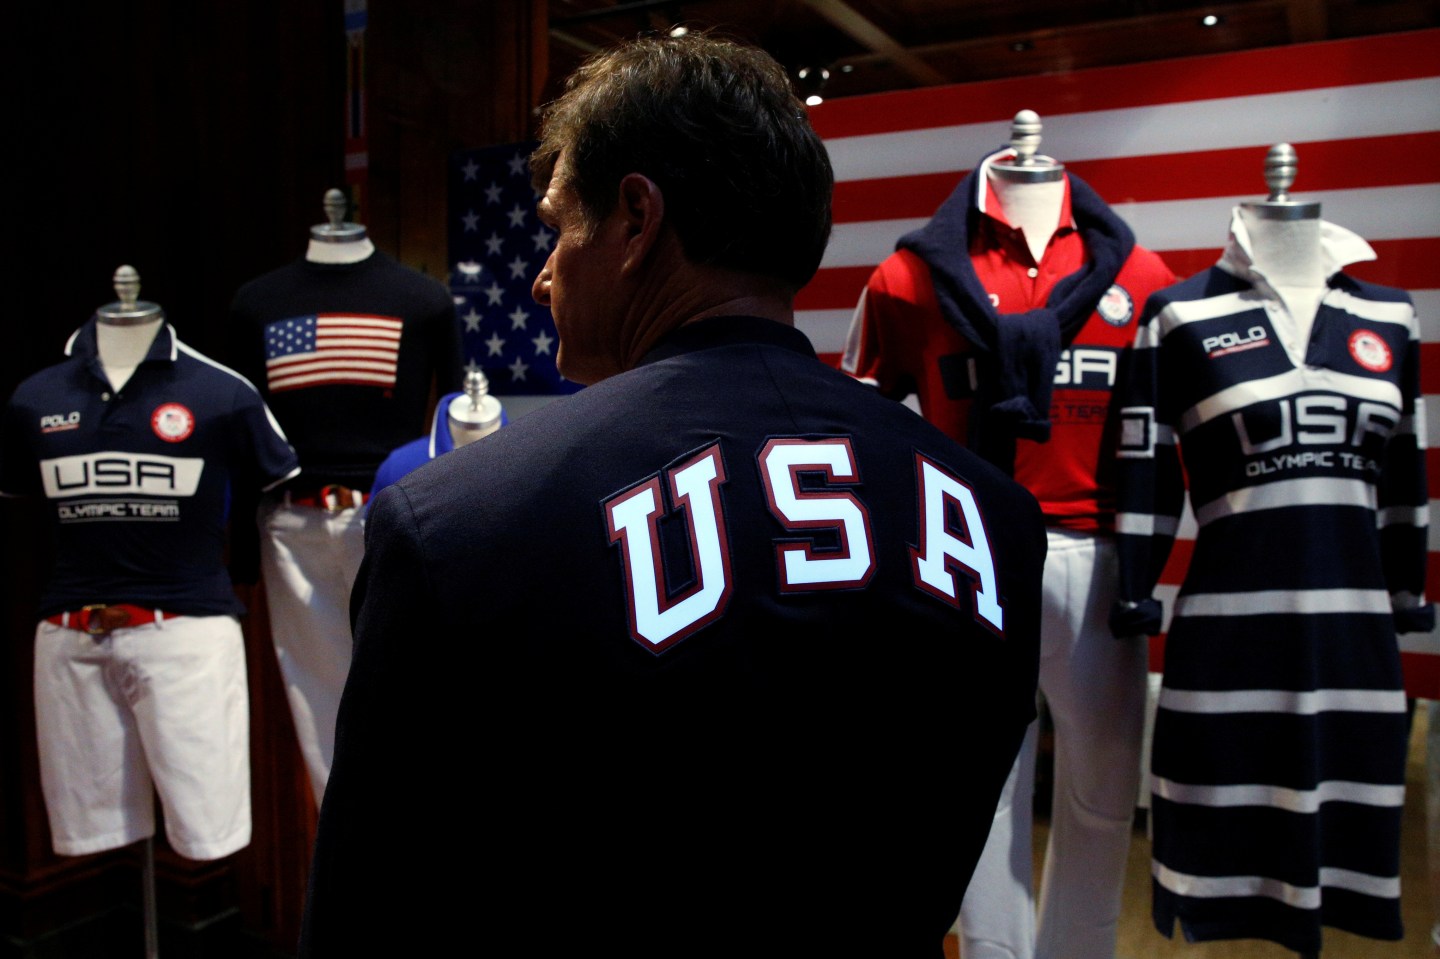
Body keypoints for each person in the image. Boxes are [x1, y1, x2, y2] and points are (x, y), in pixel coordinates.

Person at [300, 33, 1046, 958]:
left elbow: (371, 905)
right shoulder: (997, 517)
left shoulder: (455, 522)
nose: (541, 273)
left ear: (635, 219)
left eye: (560, 226)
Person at [842, 116, 1177, 959]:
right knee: (980, 795)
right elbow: (855, 422)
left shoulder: (1141, 277)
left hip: (1102, 564)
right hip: (968, 558)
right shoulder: (910, 277)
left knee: (1103, 793)